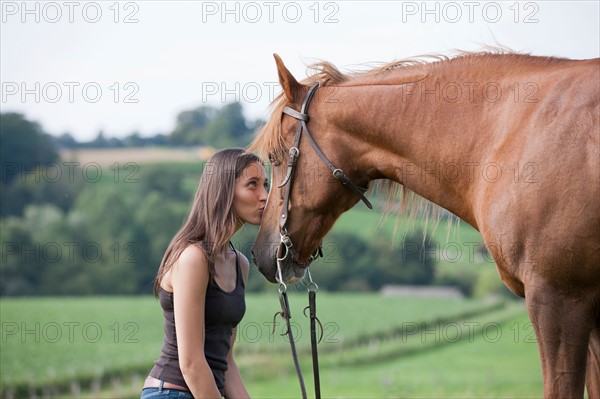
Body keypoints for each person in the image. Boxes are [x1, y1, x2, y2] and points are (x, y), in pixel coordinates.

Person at [141, 148, 268, 399]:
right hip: (172, 393)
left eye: (265, 184)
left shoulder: (239, 264)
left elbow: (226, 363)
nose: (264, 195)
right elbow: (191, 364)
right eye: (252, 185)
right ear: (223, 190)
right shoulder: (194, 258)